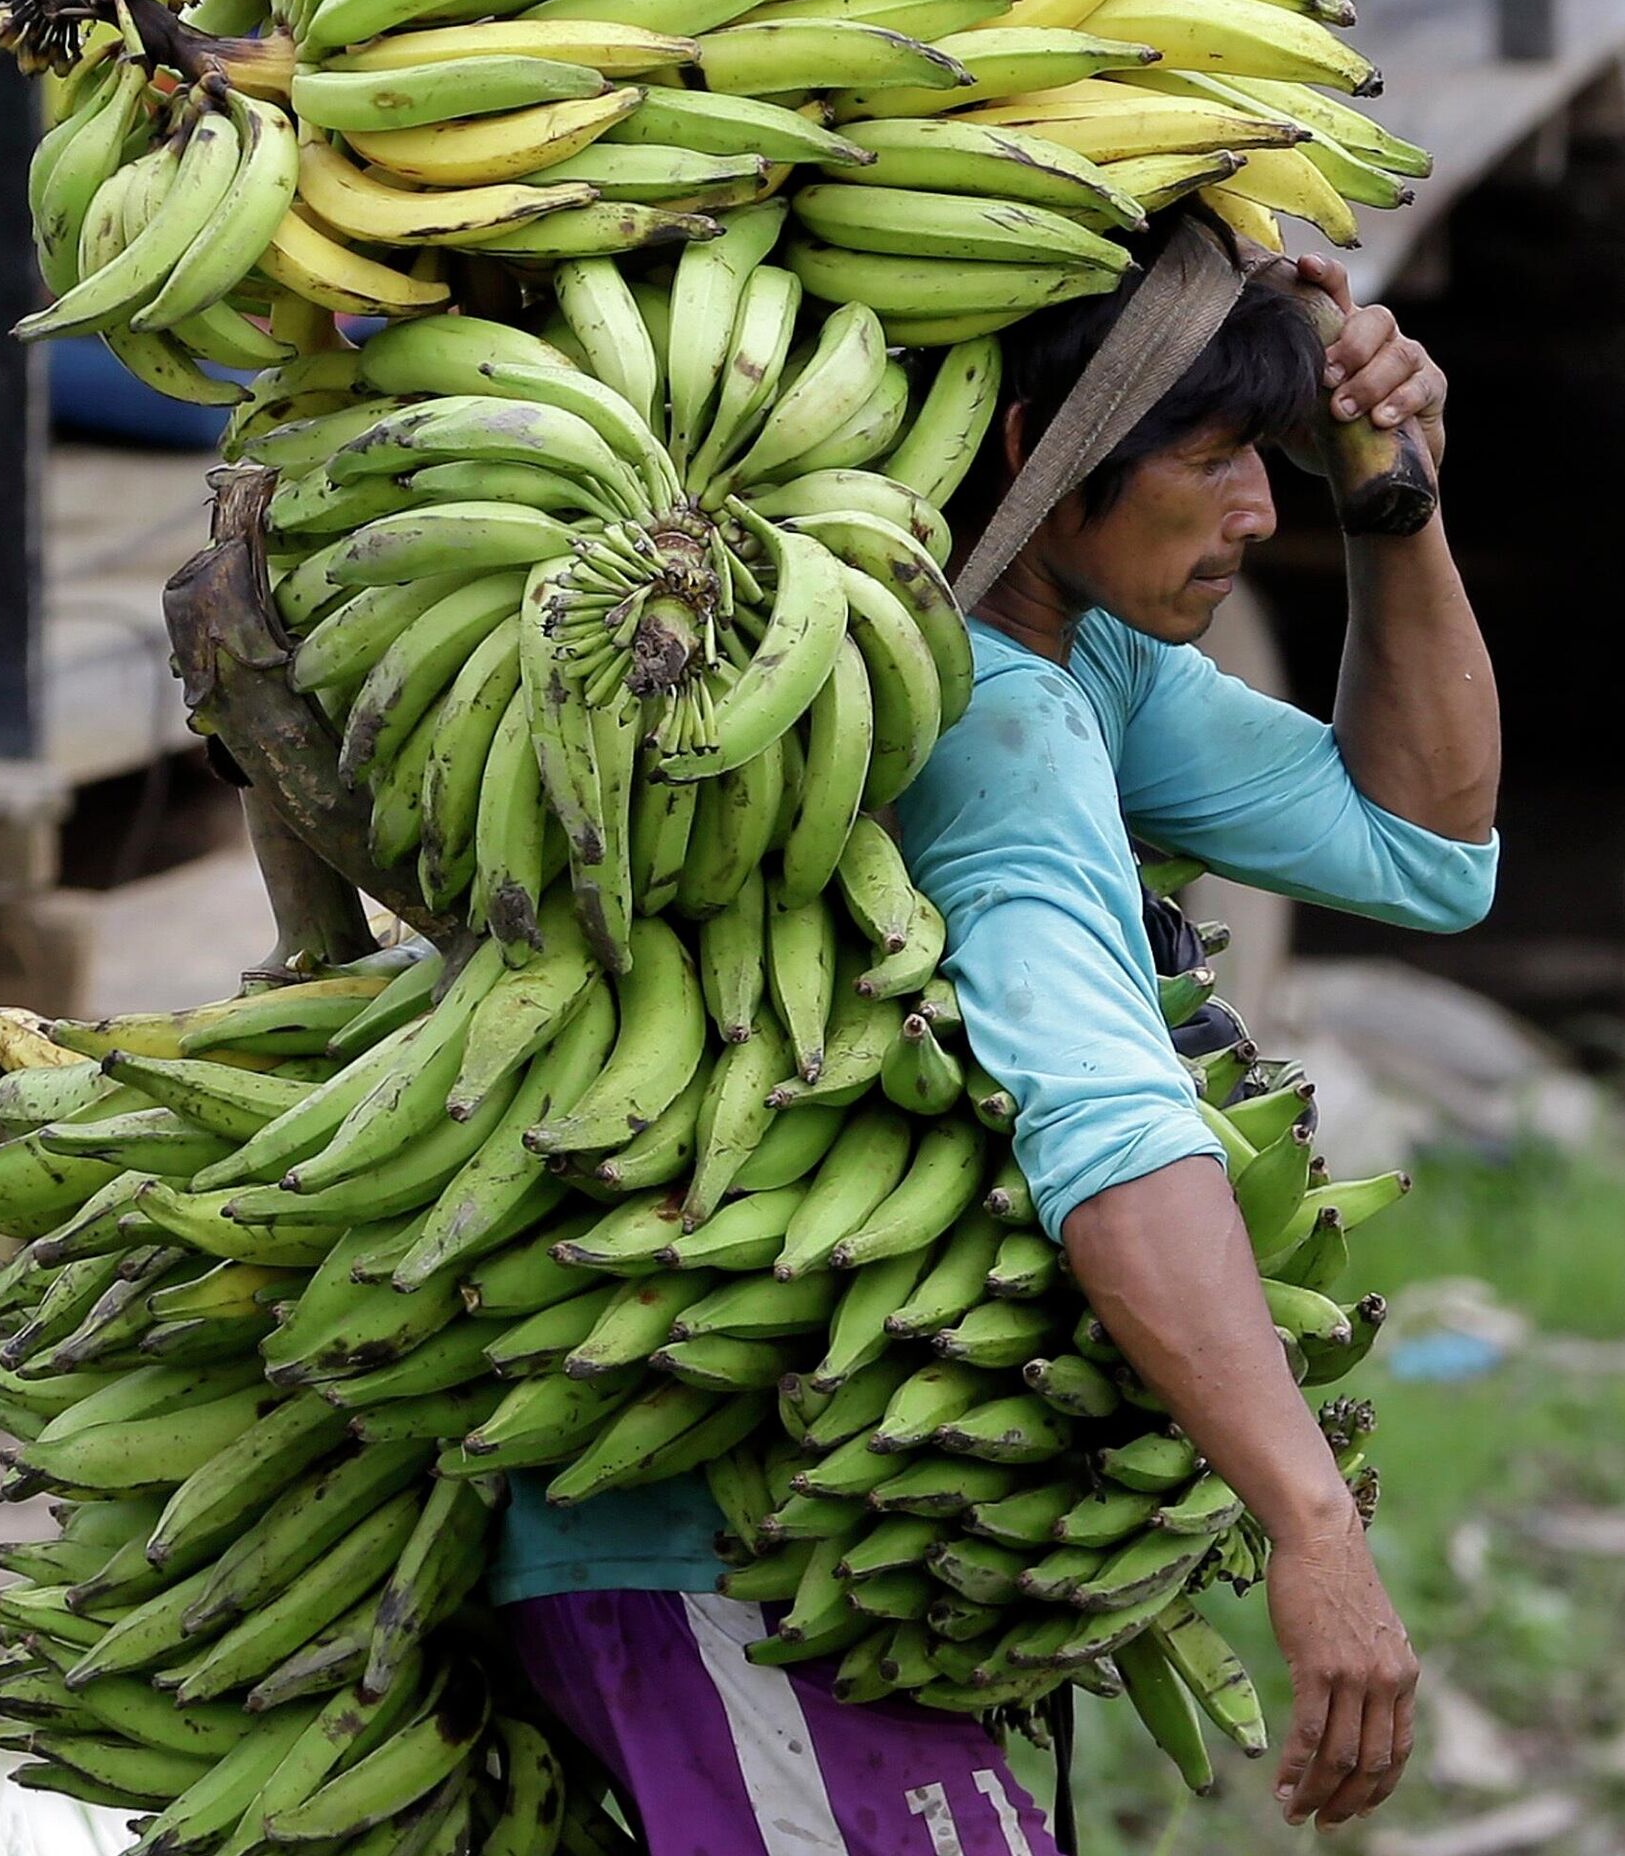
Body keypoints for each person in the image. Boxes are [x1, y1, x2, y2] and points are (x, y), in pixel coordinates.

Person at [491, 215, 1499, 1855]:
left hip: (796, 1556)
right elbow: (1112, 1131)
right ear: (1040, 445)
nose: (1261, 508)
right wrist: (1313, 1524)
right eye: (1215, 459)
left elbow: (1427, 849)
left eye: (1269, 458)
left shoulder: (1069, 652)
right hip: (728, 1546)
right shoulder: (988, 732)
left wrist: (1394, 499)